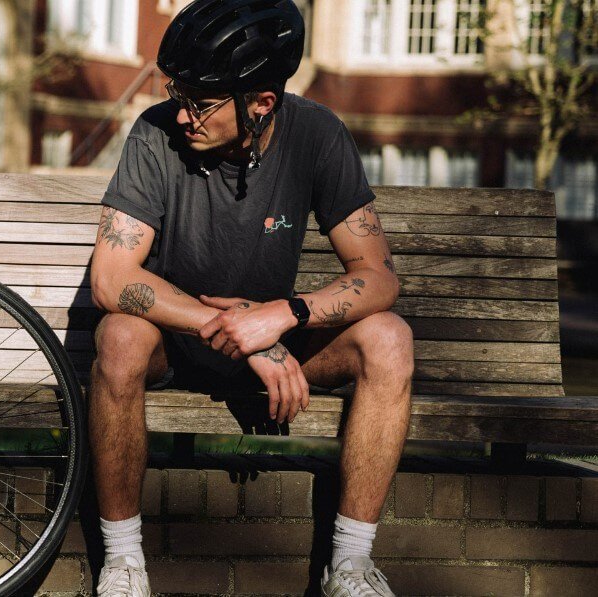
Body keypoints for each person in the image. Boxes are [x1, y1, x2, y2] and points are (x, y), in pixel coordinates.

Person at [87, 1, 412, 595]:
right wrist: (235, 329)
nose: (183, 114)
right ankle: (123, 562)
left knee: (389, 339)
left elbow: (379, 277)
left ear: (262, 102)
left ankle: (351, 565)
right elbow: (111, 278)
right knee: (120, 335)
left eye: (201, 102)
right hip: (178, 345)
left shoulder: (317, 135)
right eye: (177, 92)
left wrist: (282, 318)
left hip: (280, 342)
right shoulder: (154, 134)